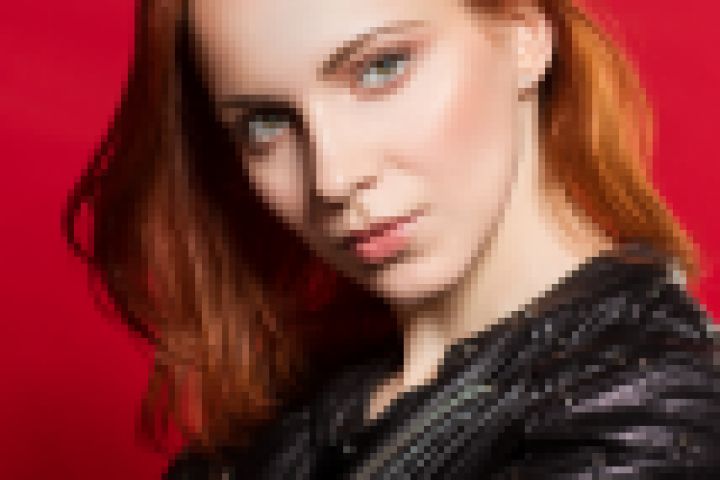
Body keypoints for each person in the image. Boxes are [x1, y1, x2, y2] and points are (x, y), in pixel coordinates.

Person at [62, 0, 720, 478]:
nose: (333, 178)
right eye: (266, 122)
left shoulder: (649, 413)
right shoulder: (310, 394)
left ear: (525, 35)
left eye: (380, 69)